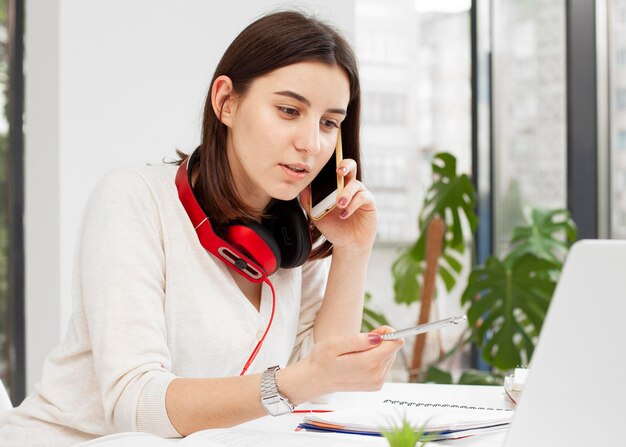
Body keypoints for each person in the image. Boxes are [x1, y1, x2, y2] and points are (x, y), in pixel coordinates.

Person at [0, 10, 404, 446]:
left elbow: (323, 382)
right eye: (289, 110)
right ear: (226, 102)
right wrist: (291, 383)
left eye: (329, 123)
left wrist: (353, 250)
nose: (311, 143)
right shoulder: (133, 199)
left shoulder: (289, 235)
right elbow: (135, 403)